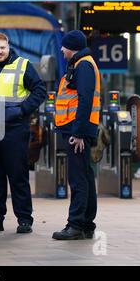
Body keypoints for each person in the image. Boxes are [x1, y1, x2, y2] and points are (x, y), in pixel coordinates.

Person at [0, 32, 46, 234]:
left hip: (14, 129)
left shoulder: (22, 65)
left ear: (8, 46)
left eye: (2, 47)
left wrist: (22, 110)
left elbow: (40, 90)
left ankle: (24, 219)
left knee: (17, 174)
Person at [53, 30, 101, 240]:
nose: (62, 50)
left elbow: (85, 99)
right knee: (86, 177)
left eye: (64, 46)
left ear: (71, 46)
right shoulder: (82, 63)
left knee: (78, 179)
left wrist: (79, 132)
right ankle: (86, 224)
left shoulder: (83, 65)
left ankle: (75, 225)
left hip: (77, 130)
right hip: (75, 128)